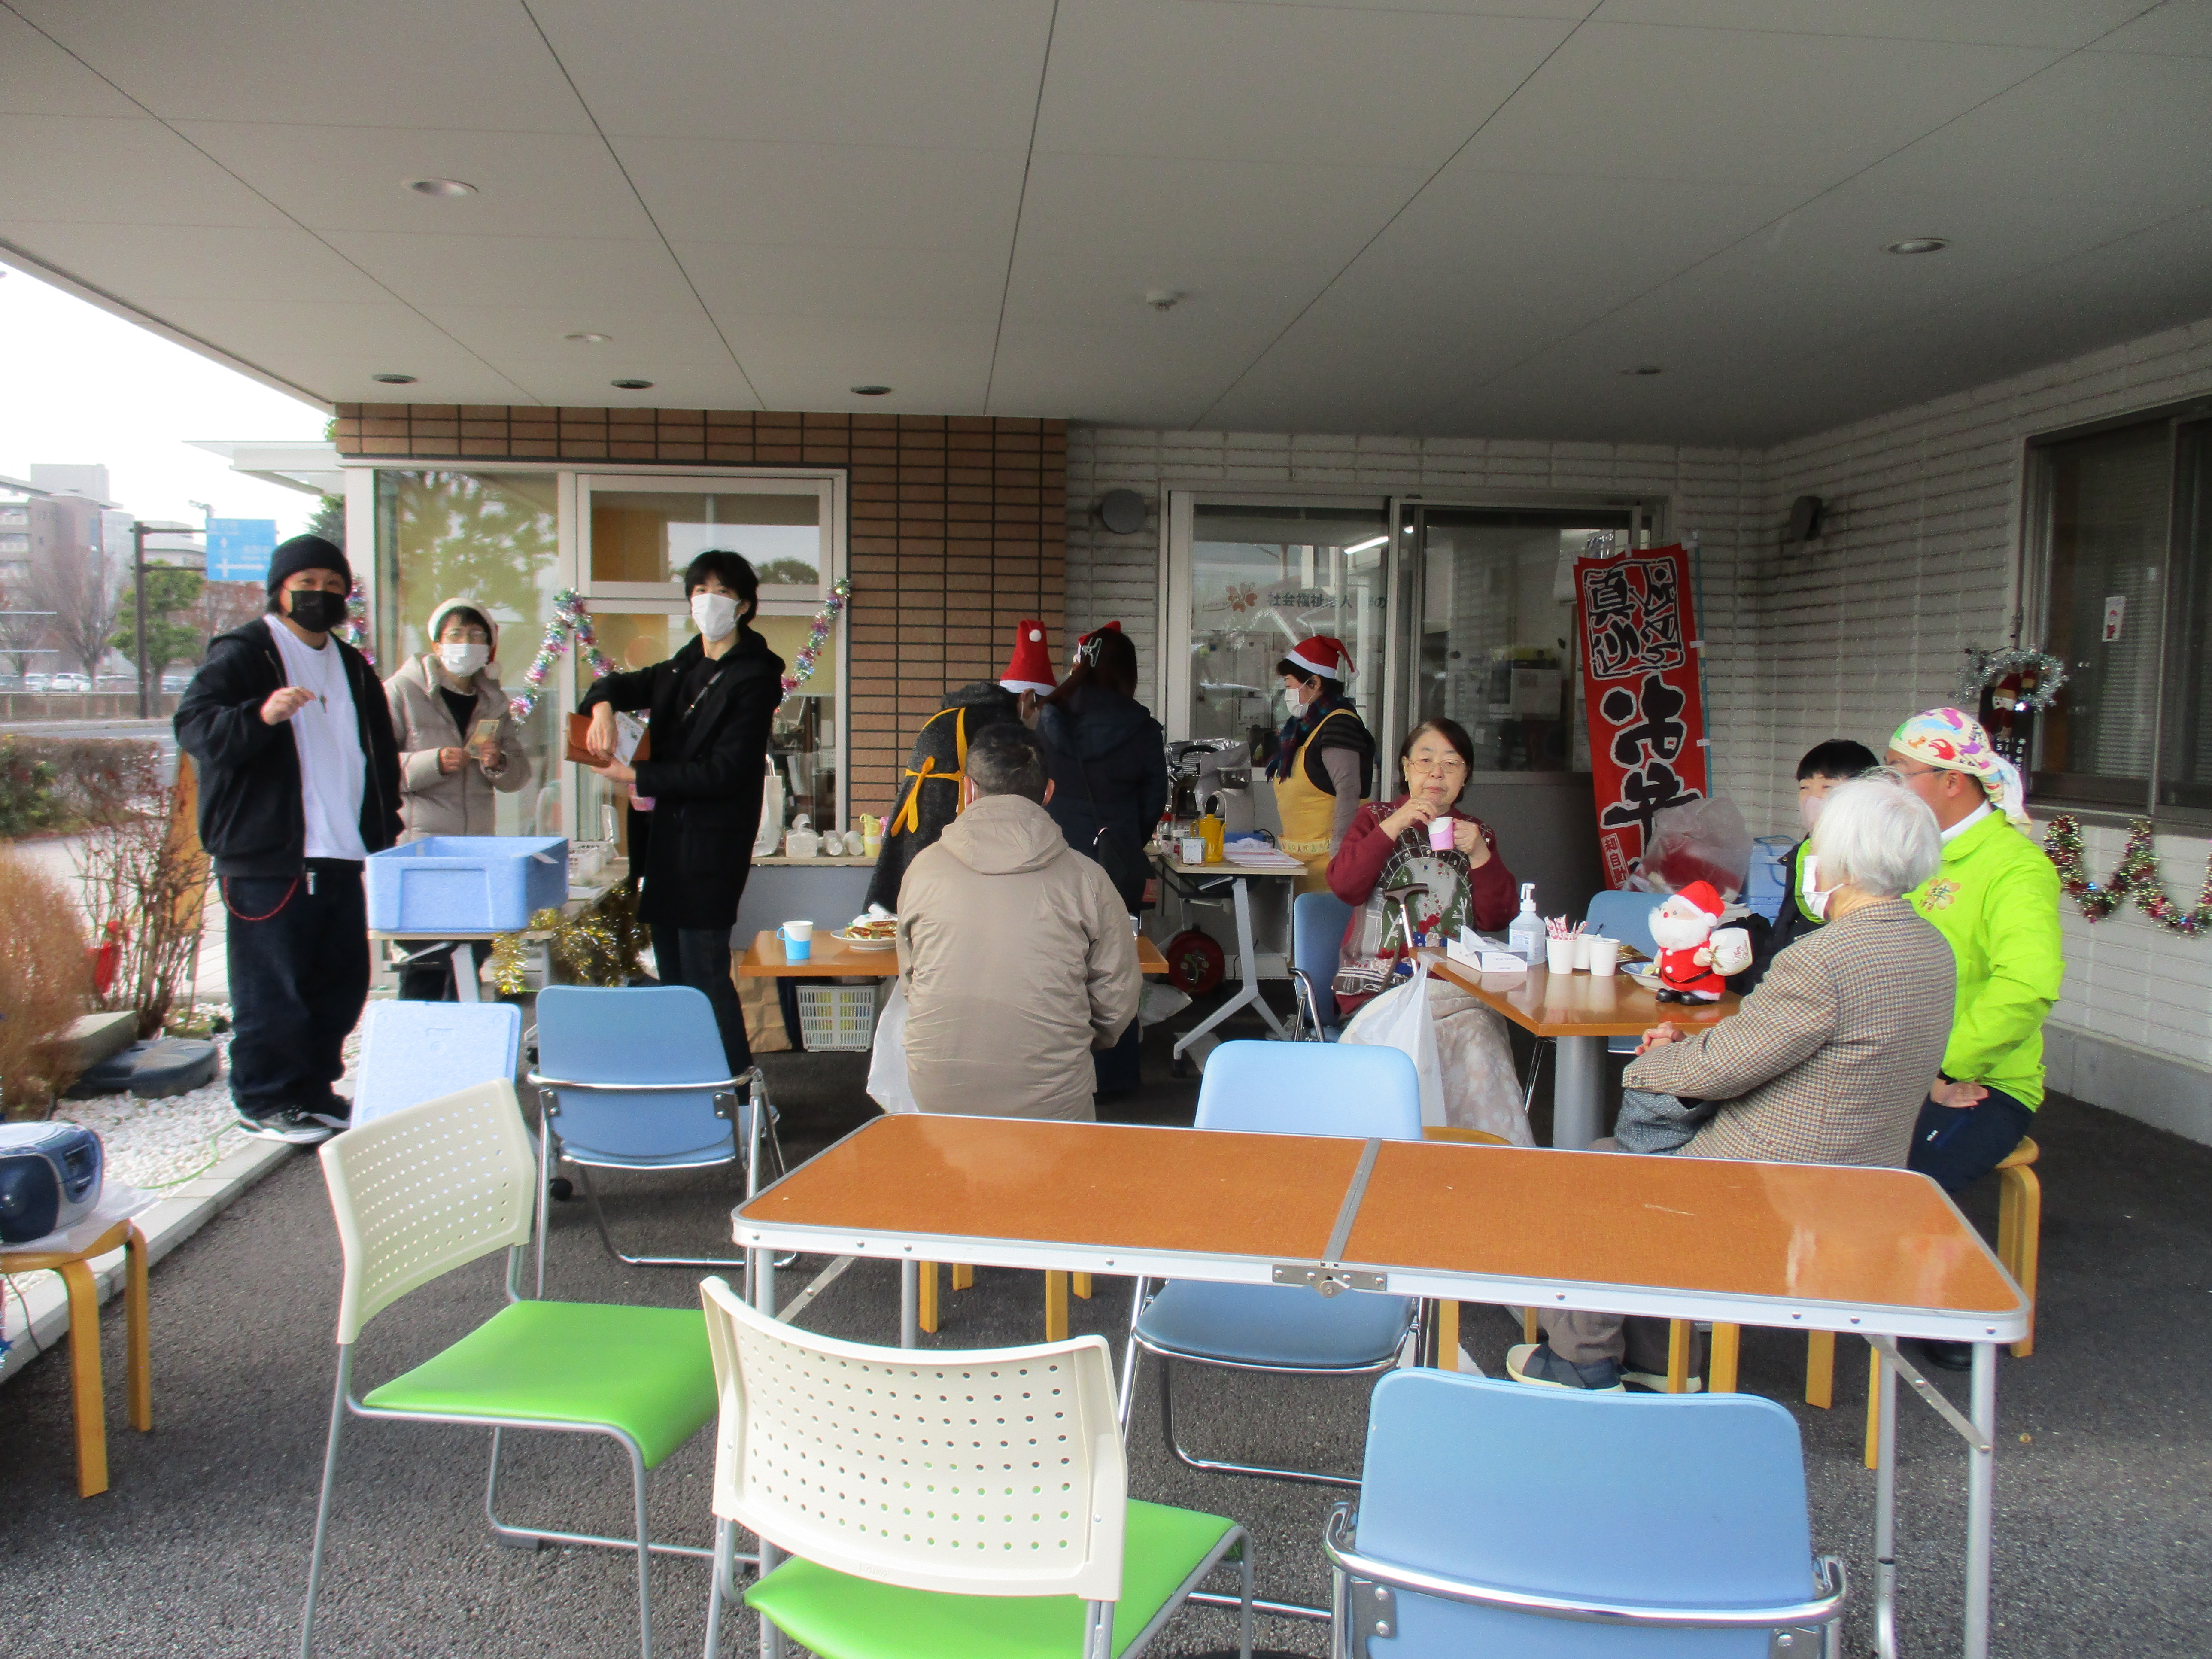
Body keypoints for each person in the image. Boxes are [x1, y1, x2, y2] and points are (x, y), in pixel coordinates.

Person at [1509, 773, 1955, 1392]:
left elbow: (1726, 1066)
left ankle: (1582, 1360)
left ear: (1843, 860)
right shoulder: (1931, 948)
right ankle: (1657, 1362)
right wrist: (1691, 1055)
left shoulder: (1823, 959)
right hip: (1870, 1176)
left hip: (1777, 1182)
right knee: (1622, 1166)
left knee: (1605, 1172)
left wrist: (1656, 1061)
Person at [174, 534, 401, 1145]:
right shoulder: (247, 652)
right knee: (274, 987)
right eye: (307, 585)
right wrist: (261, 716)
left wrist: (386, 826)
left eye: (333, 586)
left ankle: (312, 1091)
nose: (320, 595)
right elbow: (194, 727)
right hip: (270, 856)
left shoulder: (353, 666)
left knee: (340, 983)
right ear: (280, 590)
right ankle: (265, 1099)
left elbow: (378, 754)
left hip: (341, 851)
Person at [1887, 708, 2063, 1367]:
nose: (1891, 788)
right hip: (1903, 1066)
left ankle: (1949, 1306)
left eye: (1902, 774)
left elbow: (2027, 987)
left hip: (1984, 1081)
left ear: (1953, 781)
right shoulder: (1913, 851)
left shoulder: (2014, 867)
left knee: (1907, 1180)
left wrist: (1944, 1066)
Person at [580, 550, 784, 1076]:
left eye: (721, 592)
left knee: (705, 978)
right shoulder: (682, 664)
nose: (707, 602)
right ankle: (689, 1086)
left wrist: (635, 776)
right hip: (664, 846)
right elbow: (614, 685)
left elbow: (725, 773)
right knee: (673, 979)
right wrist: (603, 709)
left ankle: (737, 1092)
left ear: (744, 606)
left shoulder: (755, 678)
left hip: (710, 852)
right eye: (699, 591)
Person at [896, 723, 1139, 1121]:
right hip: (1053, 1096)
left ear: (968, 790)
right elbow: (1116, 1001)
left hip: (938, 1088)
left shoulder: (923, 870)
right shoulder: (1087, 878)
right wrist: (1066, 1039)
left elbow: (912, 980)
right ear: (1048, 793)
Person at [1327, 717, 1528, 1143]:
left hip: (1454, 988)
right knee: (1455, 1033)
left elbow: (1497, 918)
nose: (1437, 773)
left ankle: (1486, 1158)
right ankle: (1412, 1147)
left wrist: (1480, 854)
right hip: (1381, 988)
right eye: (1425, 761)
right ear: (1405, 768)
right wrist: (1395, 824)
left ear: (1465, 776)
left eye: (1451, 764)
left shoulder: (1475, 834)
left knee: (1475, 1032)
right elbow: (1345, 886)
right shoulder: (1375, 819)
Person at [1036, 621, 1168, 1094]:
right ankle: (1112, 1078)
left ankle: (1055, 1073)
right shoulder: (1142, 728)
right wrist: (1124, 841)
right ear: (1126, 672)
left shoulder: (1048, 718)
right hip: (1113, 865)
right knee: (1115, 969)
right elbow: (1154, 800)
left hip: (1051, 860)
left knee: (1055, 964)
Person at [383, 597, 532, 1000]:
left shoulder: (494, 702)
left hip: (476, 854)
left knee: (471, 959)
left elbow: (518, 776)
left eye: (477, 635)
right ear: (436, 644)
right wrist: (430, 763)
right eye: (456, 635)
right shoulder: (401, 691)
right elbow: (374, 767)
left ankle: (465, 1033)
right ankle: (421, 1035)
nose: (466, 644)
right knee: (425, 964)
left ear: (489, 647)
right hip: (422, 854)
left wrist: (498, 762)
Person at [863, 619, 1048, 914]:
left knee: (915, 907)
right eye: (1039, 705)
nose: (1038, 714)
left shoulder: (958, 712)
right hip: (948, 823)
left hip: (919, 826)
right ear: (1027, 696)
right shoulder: (999, 724)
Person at [1738, 738, 1879, 992]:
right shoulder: (1804, 850)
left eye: (1828, 787)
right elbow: (1786, 925)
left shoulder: (1873, 856)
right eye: (1805, 787)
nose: (1813, 798)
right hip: (1790, 975)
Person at [1266, 635, 1374, 892]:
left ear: (1314, 683)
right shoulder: (1301, 728)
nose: (1287, 694)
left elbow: (1348, 790)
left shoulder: (1339, 725)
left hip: (1331, 867)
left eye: (1290, 685)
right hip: (1302, 865)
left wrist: (1341, 855)